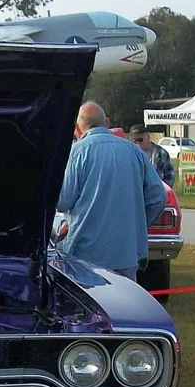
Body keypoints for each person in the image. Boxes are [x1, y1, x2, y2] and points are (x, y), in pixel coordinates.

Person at [57, 102, 167, 282]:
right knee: (124, 307)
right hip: (126, 253)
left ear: (77, 128)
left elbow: (63, 201)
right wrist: (136, 225)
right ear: (107, 122)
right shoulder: (134, 151)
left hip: (85, 254)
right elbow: (158, 197)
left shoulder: (77, 152)